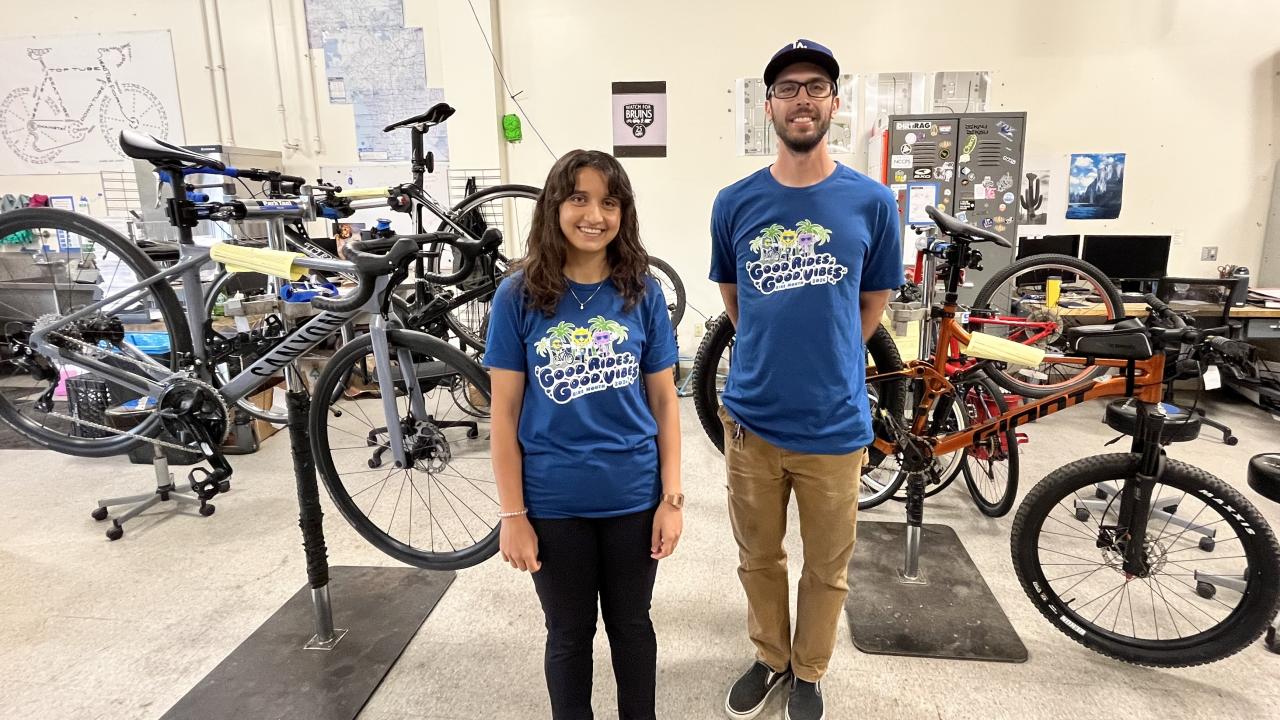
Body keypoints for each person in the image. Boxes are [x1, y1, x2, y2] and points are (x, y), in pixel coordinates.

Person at [709, 40, 902, 720]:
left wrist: (824, 353)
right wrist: (774, 344)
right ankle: (771, 656)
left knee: (827, 568)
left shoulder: (872, 203)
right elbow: (736, 302)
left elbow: (871, 307)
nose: (802, 99)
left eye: (816, 86)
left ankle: (809, 668)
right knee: (758, 558)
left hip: (834, 426)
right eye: (788, 88)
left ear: (835, 103)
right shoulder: (735, 202)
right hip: (753, 422)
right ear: (769, 106)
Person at [485, 149, 683, 720]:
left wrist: (672, 499)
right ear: (554, 206)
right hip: (553, 502)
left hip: (633, 496)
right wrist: (513, 515)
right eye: (579, 197)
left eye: (609, 201)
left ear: (624, 213)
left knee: (631, 627)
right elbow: (503, 414)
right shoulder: (518, 295)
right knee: (568, 635)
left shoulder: (640, 292)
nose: (594, 214)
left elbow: (666, 402)